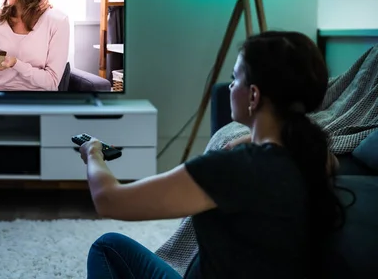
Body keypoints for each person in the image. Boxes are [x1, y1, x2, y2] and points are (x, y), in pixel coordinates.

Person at [78, 30, 346, 279]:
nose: (229, 88)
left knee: (107, 246)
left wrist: (93, 154)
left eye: (234, 79)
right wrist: (250, 139)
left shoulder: (230, 169)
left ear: (253, 96)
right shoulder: (314, 156)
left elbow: (109, 200)